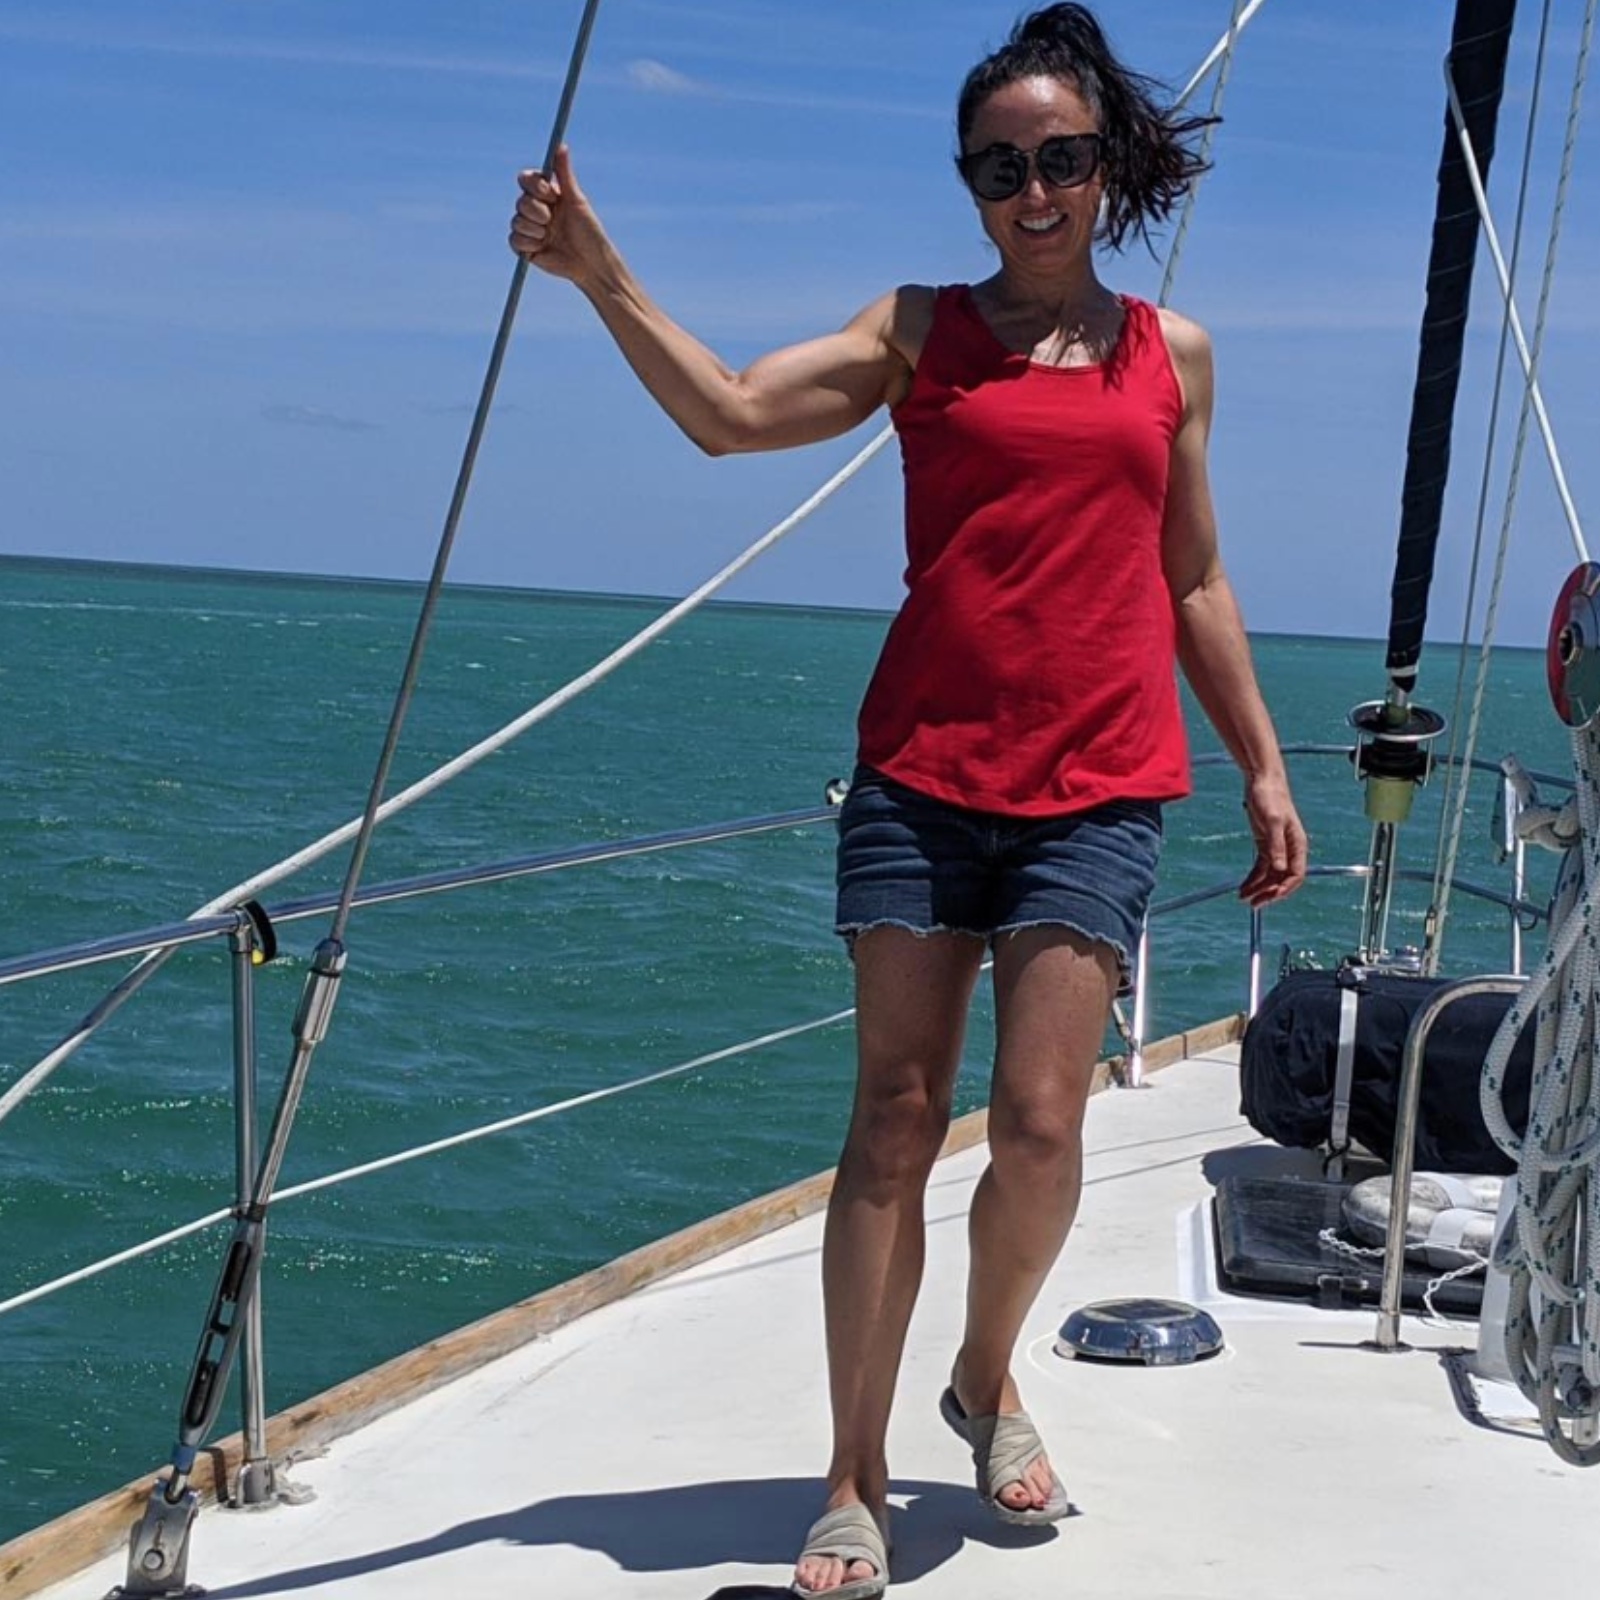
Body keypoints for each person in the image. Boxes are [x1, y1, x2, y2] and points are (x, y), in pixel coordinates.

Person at [512, 5, 1307, 1595]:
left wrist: (1266, 763)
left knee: (1040, 1126)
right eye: (1001, 164)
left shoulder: (1174, 357)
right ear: (971, 179)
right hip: (922, 778)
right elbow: (732, 414)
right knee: (891, 1122)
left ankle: (986, 1371)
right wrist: (602, 276)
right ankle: (856, 1473)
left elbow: (1193, 569)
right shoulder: (918, 333)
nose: (1034, 187)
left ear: (1109, 168)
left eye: (1062, 158)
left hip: (1097, 787)